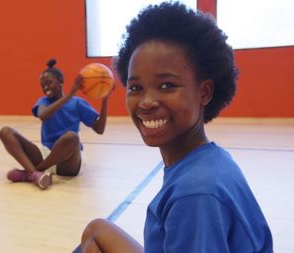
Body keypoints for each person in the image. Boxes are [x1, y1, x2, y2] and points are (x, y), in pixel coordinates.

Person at [80, 2, 273, 252]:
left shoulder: (195, 193)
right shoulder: (208, 160)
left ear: (204, 92)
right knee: (97, 230)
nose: (147, 102)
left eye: (166, 86)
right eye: (136, 88)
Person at [0, 59, 112, 190]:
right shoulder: (43, 102)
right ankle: (35, 174)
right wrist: (69, 95)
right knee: (5, 132)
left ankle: (31, 173)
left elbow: (99, 129)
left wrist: (105, 100)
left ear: (60, 81)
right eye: (43, 85)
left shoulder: (77, 103)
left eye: (49, 83)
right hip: (46, 154)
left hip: (69, 160)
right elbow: (43, 115)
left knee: (71, 137)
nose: (45, 87)